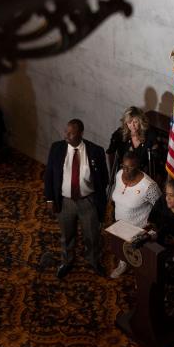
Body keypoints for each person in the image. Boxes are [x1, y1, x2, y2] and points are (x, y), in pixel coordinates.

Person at [44, 118, 109, 278]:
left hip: (87, 202)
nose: (66, 135)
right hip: (65, 201)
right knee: (67, 235)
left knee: (92, 235)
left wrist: (97, 200)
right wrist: (50, 199)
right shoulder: (57, 148)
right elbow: (49, 175)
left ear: (81, 133)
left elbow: (104, 178)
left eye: (71, 133)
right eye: (66, 131)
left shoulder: (95, 151)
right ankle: (66, 261)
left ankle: (93, 260)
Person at [109, 150, 161, 278]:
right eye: (124, 166)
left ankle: (142, 278)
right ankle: (123, 265)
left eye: (130, 168)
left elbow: (160, 208)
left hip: (139, 230)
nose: (125, 171)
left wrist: (152, 226)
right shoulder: (119, 174)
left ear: (138, 167)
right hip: (120, 225)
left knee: (140, 259)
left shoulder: (149, 186)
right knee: (123, 250)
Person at [106, 106, 161, 180]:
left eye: (135, 122)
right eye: (129, 122)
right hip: (124, 173)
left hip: (142, 175)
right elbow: (110, 152)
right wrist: (112, 175)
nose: (132, 126)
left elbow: (156, 161)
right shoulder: (119, 134)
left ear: (141, 122)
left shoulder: (150, 136)